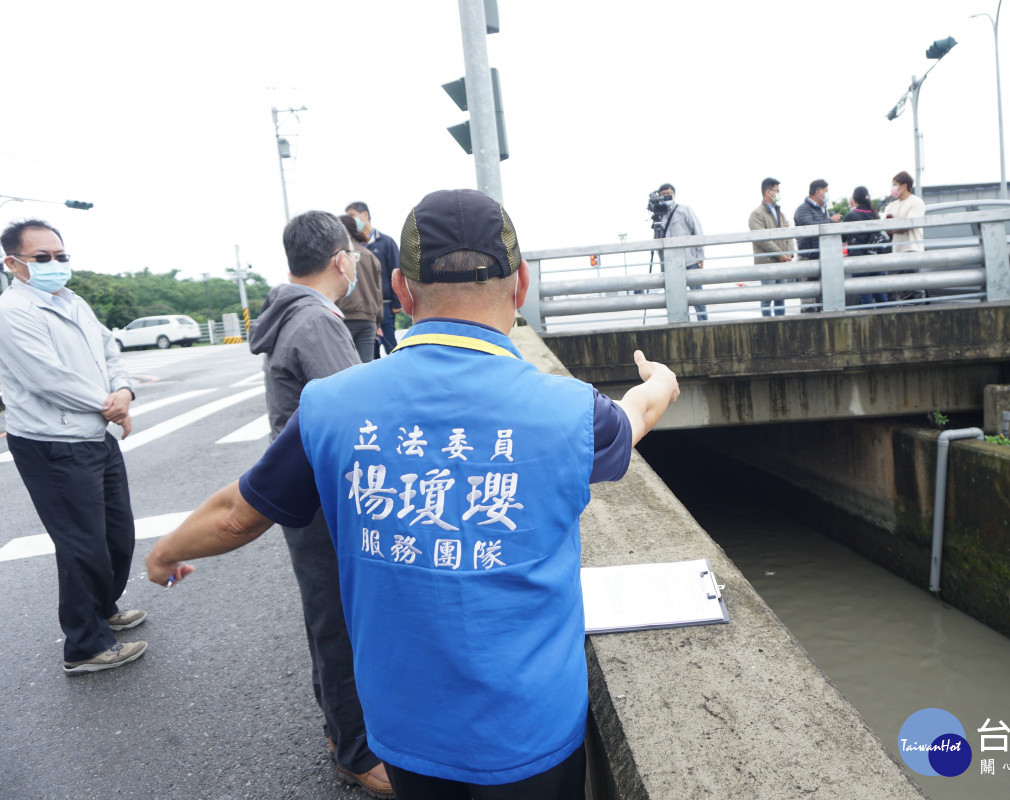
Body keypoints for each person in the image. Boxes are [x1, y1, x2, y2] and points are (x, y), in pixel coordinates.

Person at [146, 189, 680, 800]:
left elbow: (238, 515)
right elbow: (634, 415)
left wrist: (163, 553)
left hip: (407, 727)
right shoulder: (571, 414)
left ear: (401, 289)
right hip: (531, 730)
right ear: (521, 284)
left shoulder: (332, 405)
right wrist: (661, 381)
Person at [246, 211, 393, 798]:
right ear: (341, 260)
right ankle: (356, 751)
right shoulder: (315, 322)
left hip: (306, 490)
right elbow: (352, 414)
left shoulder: (296, 314)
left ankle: (341, 734)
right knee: (338, 621)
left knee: (325, 616)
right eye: (353, 256)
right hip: (321, 496)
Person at [0, 219, 146, 674]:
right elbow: (47, 378)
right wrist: (112, 406)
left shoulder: (73, 300)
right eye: (41, 258)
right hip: (51, 442)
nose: (55, 265)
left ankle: (104, 608)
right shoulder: (12, 312)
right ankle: (84, 645)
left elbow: (109, 349)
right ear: (13, 263)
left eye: (61, 257)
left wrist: (122, 390)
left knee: (116, 535)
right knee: (82, 545)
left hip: (94, 433)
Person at [345, 202, 400, 357]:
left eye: (352, 215)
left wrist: (397, 303)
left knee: (391, 347)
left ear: (365, 215)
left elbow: (395, 271)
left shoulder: (385, 242)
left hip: (386, 304)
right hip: (366, 308)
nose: (351, 220)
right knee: (370, 353)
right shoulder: (353, 247)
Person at [336, 213, 385, 363]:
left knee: (344, 367)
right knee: (365, 365)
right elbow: (378, 291)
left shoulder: (338, 255)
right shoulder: (370, 255)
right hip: (368, 319)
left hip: (344, 317)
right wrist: (378, 321)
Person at [656, 183, 707, 321]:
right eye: (663, 194)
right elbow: (658, 243)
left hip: (690, 260)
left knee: (698, 298)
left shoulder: (684, 209)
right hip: (671, 264)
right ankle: (684, 325)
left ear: (674, 194)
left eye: (669, 193)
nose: (667, 196)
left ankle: (703, 323)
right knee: (678, 299)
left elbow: (698, 231)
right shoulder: (659, 215)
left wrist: (700, 257)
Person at [792, 179, 843, 312]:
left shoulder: (823, 209)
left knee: (822, 298)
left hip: (823, 257)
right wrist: (830, 221)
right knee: (808, 299)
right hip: (808, 258)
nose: (827, 195)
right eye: (826, 191)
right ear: (817, 192)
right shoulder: (802, 209)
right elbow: (809, 225)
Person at [748, 178, 794, 317]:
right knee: (767, 299)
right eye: (777, 191)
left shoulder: (779, 212)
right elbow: (762, 239)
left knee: (780, 298)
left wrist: (789, 252)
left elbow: (788, 233)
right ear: (768, 192)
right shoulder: (757, 214)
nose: (779, 194)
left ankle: (781, 326)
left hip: (782, 262)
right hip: (767, 263)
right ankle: (767, 327)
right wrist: (780, 254)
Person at [843, 186, 889, 306]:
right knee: (879, 292)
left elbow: (842, 237)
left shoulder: (851, 216)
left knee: (864, 293)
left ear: (854, 199)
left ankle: (870, 320)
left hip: (858, 259)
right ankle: (887, 316)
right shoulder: (874, 214)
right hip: (874, 257)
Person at [881, 171, 926, 253]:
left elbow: (908, 225)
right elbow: (883, 224)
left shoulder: (917, 202)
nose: (892, 188)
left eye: (895, 185)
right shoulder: (891, 205)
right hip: (896, 251)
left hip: (913, 249)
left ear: (904, 186)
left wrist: (891, 229)